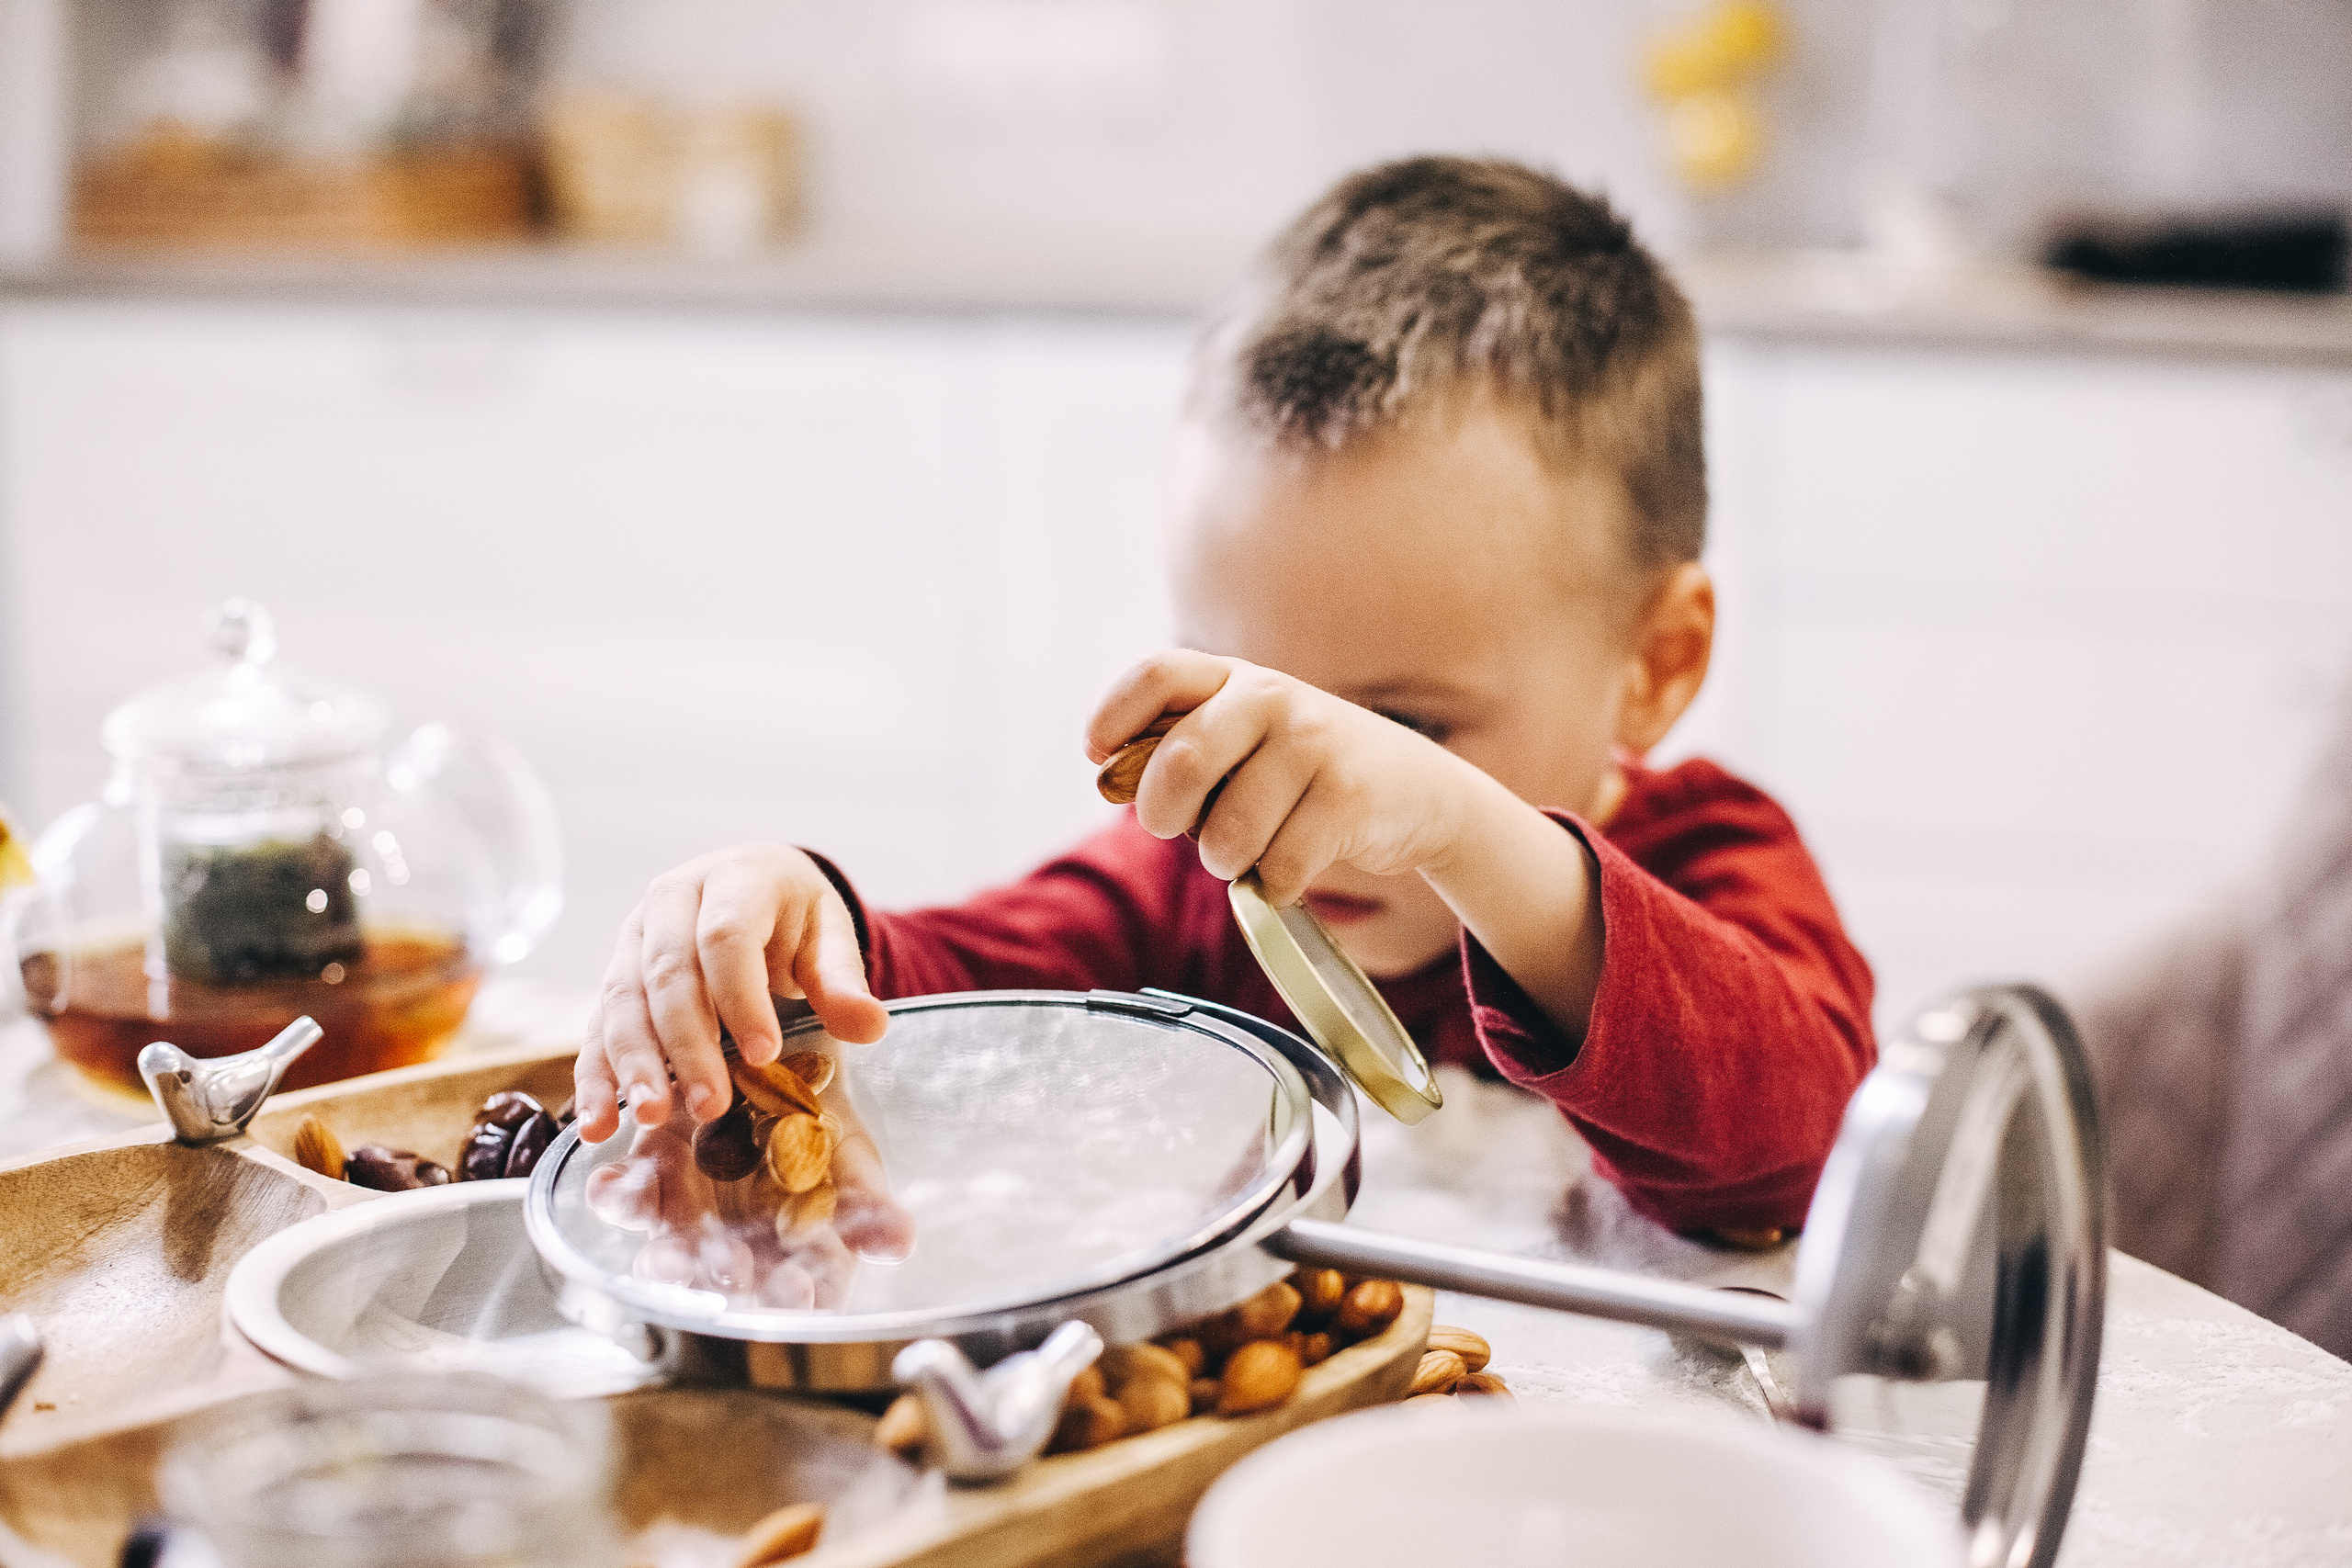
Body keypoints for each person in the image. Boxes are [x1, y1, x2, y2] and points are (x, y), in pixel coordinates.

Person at [574, 156, 1875, 1250]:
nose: (1319, 799)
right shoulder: (1195, 895)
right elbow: (941, 1000)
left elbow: (1801, 1162)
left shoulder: (1721, 867)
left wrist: (1463, 834)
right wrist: (796, 935)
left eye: (1409, 731)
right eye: (1249, 706)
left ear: (1655, 662)